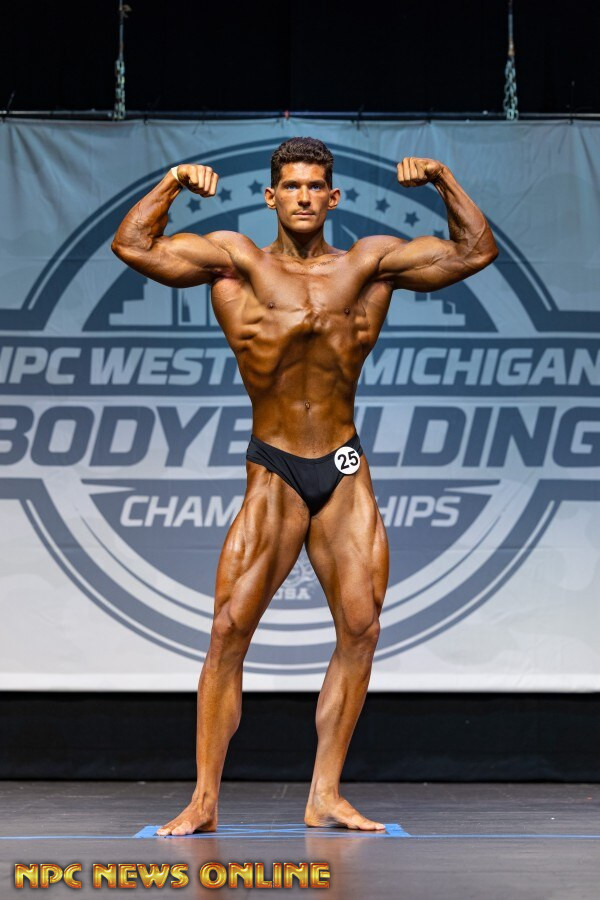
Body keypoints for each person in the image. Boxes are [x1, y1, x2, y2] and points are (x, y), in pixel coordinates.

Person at [112, 137, 497, 834]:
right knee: (229, 629)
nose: (303, 197)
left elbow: (474, 252)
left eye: (315, 186)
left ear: (333, 196)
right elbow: (133, 246)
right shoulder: (236, 262)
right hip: (275, 465)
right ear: (270, 196)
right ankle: (204, 800)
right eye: (290, 186)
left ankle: (324, 793)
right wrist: (171, 182)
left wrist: (443, 178)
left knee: (361, 627)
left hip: (343, 464)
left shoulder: (368, 264)